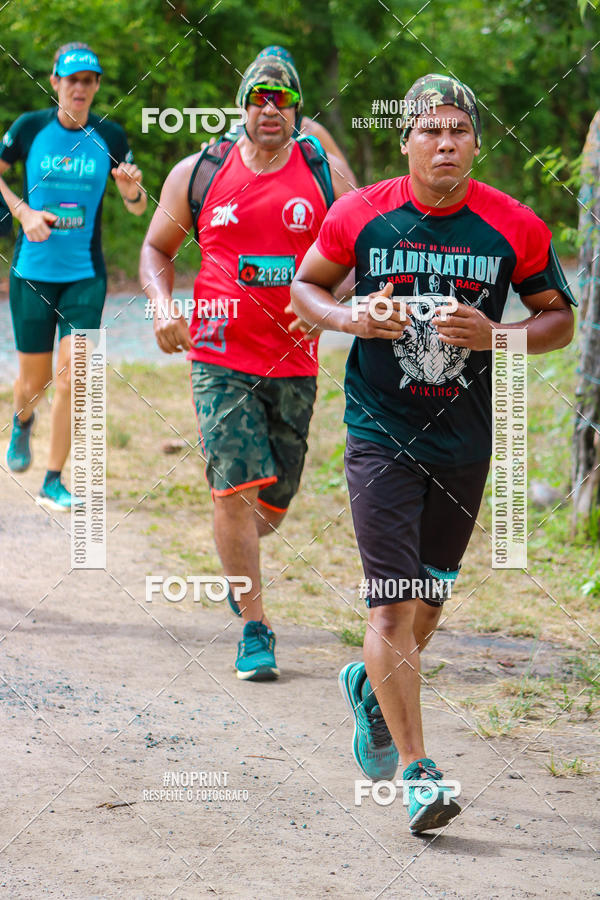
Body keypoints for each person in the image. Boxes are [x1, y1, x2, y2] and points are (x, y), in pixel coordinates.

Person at [291, 73, 575, 833]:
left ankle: (368, 688)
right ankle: (420, 774)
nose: (444, 142)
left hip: (464, 439)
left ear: (477, 143)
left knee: (429, 601)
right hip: (380, 431)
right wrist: (352, 315)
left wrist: (498, 335)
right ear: (408, 142)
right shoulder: (361, 215)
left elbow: (559, 319)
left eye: (458, 130)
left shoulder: (514, 226)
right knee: (390, 601)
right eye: (429, 130)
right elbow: (305, 290)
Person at [139, 53, 349, 680]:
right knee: (234, 484)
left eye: (282, 100)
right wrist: (161, 307)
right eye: (259, 98)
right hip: (218, 354)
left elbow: (360, 248)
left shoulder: (324, 173)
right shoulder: (199, 171)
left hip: (294, 360)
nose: (269, 109)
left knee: (274, 501)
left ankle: (239, 568)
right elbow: (156, 247)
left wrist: (333, 308)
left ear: (297, 109)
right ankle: (255, 627)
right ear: (242, 104)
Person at [1, 42, 146, 511]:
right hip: (33, 273)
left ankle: (52, 479)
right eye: (72, 79)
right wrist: (23, 214)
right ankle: (23, 421)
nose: (80, 87)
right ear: (56, 82)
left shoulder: (111, 137)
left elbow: (138, 204)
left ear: (97, 86)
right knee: (35, 381)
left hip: (86, 274)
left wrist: (131, 191)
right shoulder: (29, 129)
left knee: (74, 377)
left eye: (89, 80)